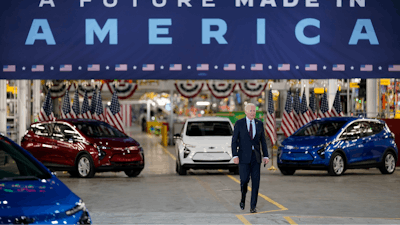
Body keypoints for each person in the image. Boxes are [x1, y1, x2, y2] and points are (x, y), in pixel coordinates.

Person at [231, 103, 269, 213]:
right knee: (244, 180)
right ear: (246, 112)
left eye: (254, 110)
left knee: (256, 182)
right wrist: (235, 155)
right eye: (251, 110)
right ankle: (243, 198)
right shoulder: (239, 124)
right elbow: (234, 141)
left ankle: (253, 206)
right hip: (243, 157)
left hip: (256, 158)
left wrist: (265, 155)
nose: (253, 112)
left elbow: (263, 141)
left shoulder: (259, 124)